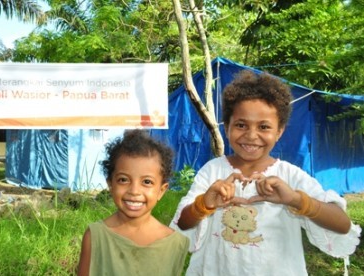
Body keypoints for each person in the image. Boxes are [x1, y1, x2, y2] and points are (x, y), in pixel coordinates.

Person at [171, 70, 361, 275]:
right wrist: (204, 204)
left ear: (279, 131)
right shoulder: (213, 171)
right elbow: (183, 223)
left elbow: (342, 225)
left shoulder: (290, 176)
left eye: (264, 127)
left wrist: (297, 200)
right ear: (227, 128)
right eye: (241, 125)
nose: (251, 135)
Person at [77, 129, 189, 276]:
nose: (134, 191)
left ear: (161, 190)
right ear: (111, 184)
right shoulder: (95, 237)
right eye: (123, 180)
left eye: (147, 182)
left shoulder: (175, 244)